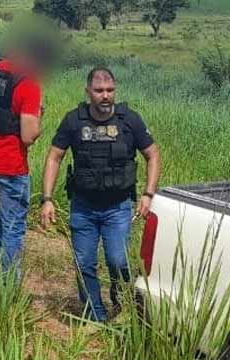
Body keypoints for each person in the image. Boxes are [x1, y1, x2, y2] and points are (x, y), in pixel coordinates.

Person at [40, 67, 161, 322]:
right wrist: (47, 199)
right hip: (83, 207)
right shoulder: (74, 121)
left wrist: (149, 194)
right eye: (99, 91)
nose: (105, 96)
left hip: (117, 208)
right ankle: (96, 316)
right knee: (84, 264)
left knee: (118, 261)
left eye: (109, 90)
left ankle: (121, 301)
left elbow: (153, 155)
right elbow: (54, 157)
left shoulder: (130, 121)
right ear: (88, 92)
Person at [0, 40, 48, 278]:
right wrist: (39, 119)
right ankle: (7, 285)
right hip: (9, 165)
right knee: (14, 225)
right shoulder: (29, 85)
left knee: (3, 214)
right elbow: (28, 135)